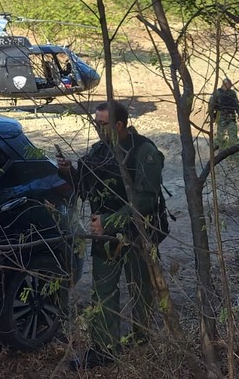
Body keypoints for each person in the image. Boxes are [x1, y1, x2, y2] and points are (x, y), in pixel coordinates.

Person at [57, 101, 165, 370]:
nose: (97, 128)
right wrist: (68, 171)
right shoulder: (99, 151)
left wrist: (109, 221)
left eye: (103, 124)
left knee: (141, 288)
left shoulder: (144, 150)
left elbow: (146, 199)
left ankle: (142, 340)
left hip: (137, 234)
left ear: (119, 125)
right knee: (103, 291)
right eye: (95, 123)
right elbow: (85, 188)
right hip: (104, 236)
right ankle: (105, 349)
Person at [208, 77, 239, 147]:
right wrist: (212, 116)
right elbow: (211, 104)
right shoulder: (217, 93)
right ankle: (218, 147)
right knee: (220, 135)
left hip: (231, 116)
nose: (230, 86)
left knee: (233, 135)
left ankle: (233, 148)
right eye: (229, 84)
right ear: (224, 84)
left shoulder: (232, 93)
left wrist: (238, 113)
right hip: (221, 116)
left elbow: (236, 104)